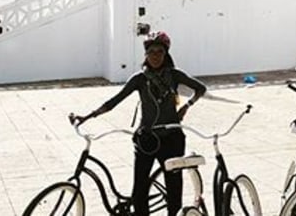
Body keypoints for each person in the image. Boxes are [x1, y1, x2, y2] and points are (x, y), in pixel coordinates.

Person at [72, 31, 207, 216]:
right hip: (147, 139)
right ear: (146, 55)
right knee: (140, 189)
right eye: (151, 52)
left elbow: (201, 88)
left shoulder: (175, 75)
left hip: (172, 139)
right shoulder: (139, 79)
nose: (155, 56)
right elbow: (114, 101)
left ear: (166, 54)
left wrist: (186, 107)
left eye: (160, 52)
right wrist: (87, 116)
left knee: (174, 188)